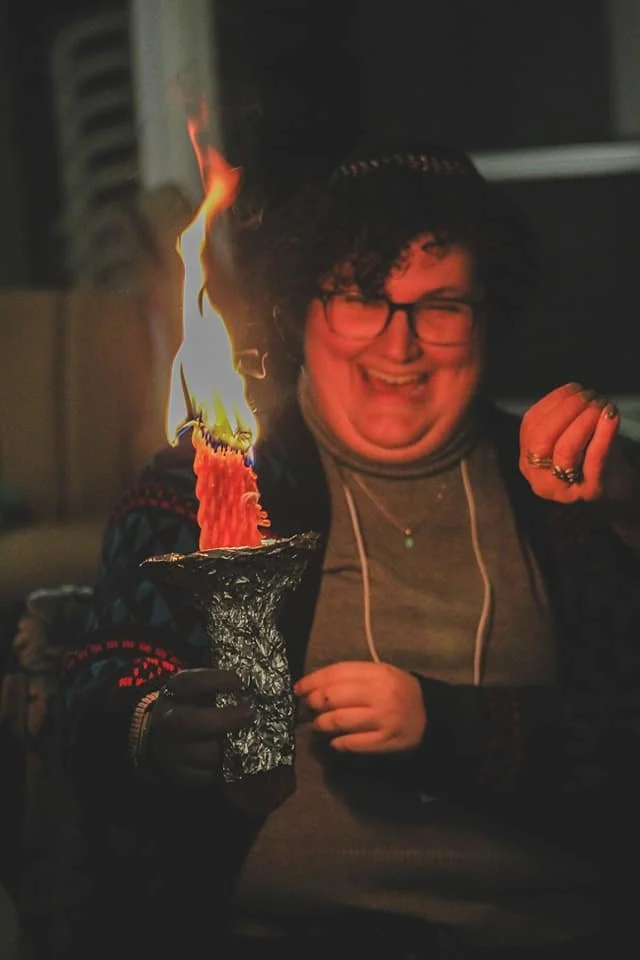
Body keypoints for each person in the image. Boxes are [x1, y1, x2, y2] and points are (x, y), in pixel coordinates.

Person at [58, 141, 640, 960]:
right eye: (362, 299)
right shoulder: (201, 486)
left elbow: (623, 751)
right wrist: (151, 724)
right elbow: (99, 687)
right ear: (303, 310)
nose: (398, 346)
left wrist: (449, 728)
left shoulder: (564, 488)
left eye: (441, 305)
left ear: (487, 314)